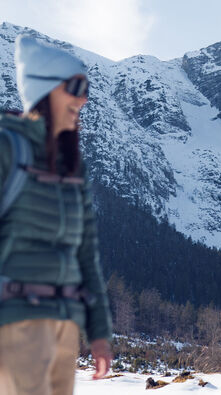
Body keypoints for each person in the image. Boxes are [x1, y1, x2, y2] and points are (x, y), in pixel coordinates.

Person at [0, 36, 113, 395]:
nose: (84, 98)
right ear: (44, 90)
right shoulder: (8, 147)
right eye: (75, 87)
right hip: (16, 324)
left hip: (65, 327)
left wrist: (98, 334)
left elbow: (86, 256)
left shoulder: (71, 165)